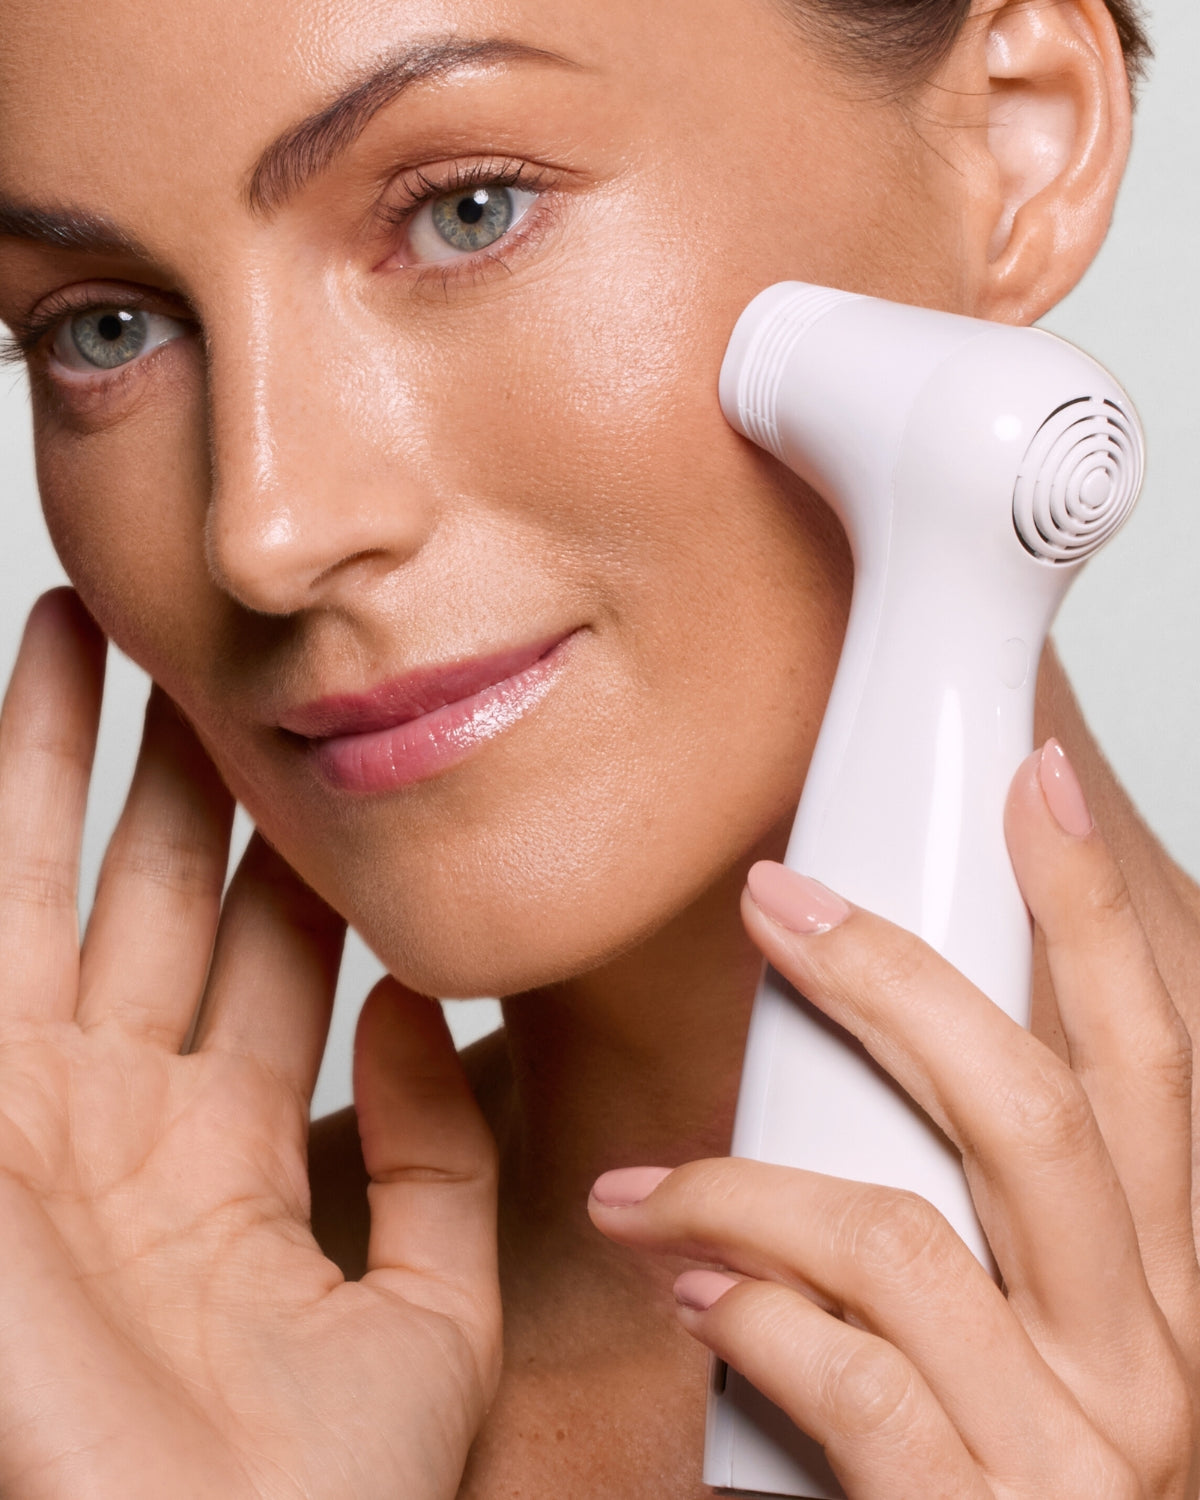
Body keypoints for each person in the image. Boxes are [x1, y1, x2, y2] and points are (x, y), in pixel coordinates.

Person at [0, 0, 1195, 1494]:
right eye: (100, 327)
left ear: (1020, 143)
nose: (265, 532)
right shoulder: (76, 1385)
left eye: (464, 211)